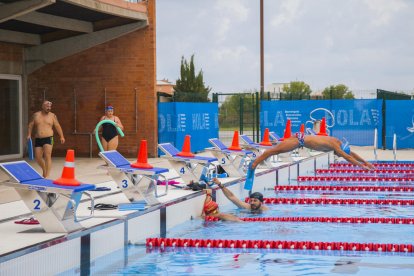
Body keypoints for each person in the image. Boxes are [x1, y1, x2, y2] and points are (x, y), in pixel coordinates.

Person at [251, 133, 375, 171]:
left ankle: (256, 162)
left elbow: (350, 154)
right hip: (298, 141)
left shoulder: (338, 142)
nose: (338, 156)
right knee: (273, 151)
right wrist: (362, 166)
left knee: (275, 150)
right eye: (339, 154)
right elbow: (348, 157)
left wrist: (366, 162)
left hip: (300, 138)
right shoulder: (336, 146)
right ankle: (255, 163)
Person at [27, 100, 65, 178]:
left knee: (47, 156)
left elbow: (57, 126)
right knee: (38, 157)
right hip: (38, 139)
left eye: (50, 107)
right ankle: (44, 169)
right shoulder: (36, 115)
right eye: (47, 106)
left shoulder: (52, 116)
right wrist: (29, 135)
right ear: (42, 106)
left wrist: (61, 136)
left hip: (49, 138)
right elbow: (30, 125)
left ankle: (47, 175)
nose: (49, 108)